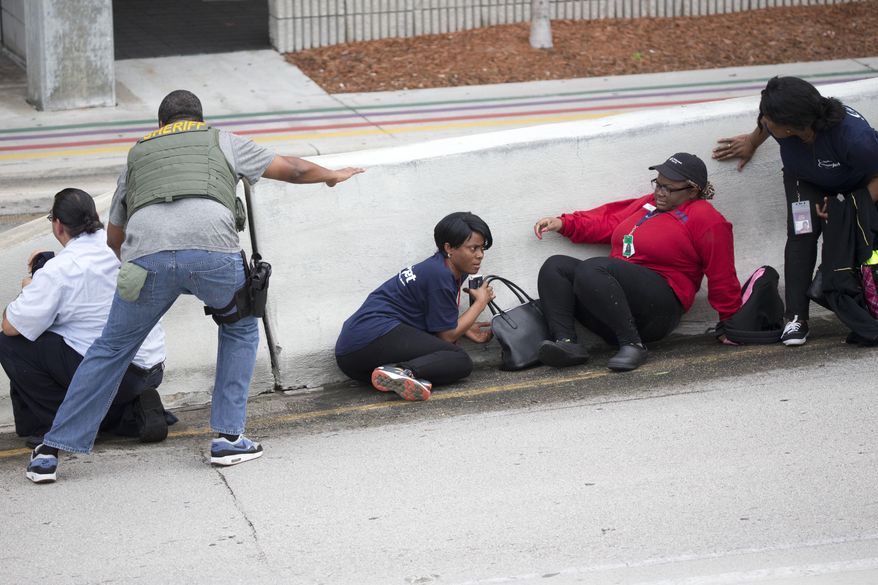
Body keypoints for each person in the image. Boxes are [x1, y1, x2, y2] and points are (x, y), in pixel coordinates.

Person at [25, 89, 364, 484]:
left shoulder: (138, 154)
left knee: (110, 349)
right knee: (238, 327)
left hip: (145, 259)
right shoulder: (222, 140)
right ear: (199, 120)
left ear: (161, 125)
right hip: (213, 256)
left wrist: (136, 267)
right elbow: (294, 169)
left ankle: (50, 452)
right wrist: (332, 176)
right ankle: (227, 438)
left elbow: (114, 234)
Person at [533, 153, 741, 372]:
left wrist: (730, 322)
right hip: (613, 306)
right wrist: (564, 223)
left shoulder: (706, 218)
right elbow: (608, 220)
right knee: (555, 266)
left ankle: (632, 344)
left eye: (669, 188)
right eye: (658, 184)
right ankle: (567, 344)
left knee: (593, 268)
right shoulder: (649, 204)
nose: (660, 192)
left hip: (658, 309)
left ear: (692, 190)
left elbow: (721, 273)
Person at [713, 76, 878, 345]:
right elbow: (765, 122)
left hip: (855, 186)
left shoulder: (855, 138)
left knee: (855, 238)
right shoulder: (782, 118)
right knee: (802, 232)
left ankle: (857, 303)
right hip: (804, 180)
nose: (765, 121)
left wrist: (846, 207)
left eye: (770, 120)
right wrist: (752, 142)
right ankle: (796, 318)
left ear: (791, 127)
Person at [1, 188, 170, 448]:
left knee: (10, 344)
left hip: (114, 375)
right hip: (152, 367)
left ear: (58, 225)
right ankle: (131, 412)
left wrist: (31, 286)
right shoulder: (122, 244)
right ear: (95, 216)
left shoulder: (60, 270)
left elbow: (11, 326)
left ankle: (65, 423)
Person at [335, 212, 495, 401]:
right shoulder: (440, 275)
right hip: (369, 339)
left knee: (447, 356)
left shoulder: (442, 268)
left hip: (355, 359)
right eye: (473, 248)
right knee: (459, 360)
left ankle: (394, 374)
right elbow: (447, 335)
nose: (480, 255)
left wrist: (465, 328)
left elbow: (434, 319)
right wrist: (480, 303)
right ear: (449, 247)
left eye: (482, 248)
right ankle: (403, 372)